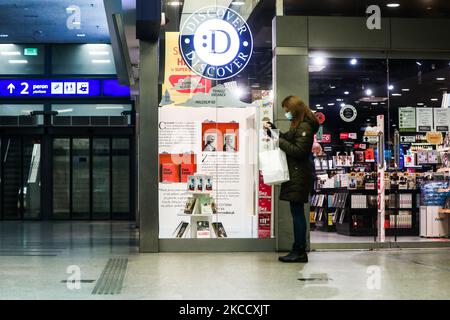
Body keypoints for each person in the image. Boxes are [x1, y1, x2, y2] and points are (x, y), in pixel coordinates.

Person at [265, 96, 319, 263]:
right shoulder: (298, 124)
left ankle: (300, 251)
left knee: (297, 214)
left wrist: (277, 141)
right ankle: (297, 249)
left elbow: (299, 151)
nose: (286, 114)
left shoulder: (305, 126)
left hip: (300, 175)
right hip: (296, 174)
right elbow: (288, 138)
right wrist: (273, 131)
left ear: (294, 109)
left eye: (287, 111)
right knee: (296, 212)